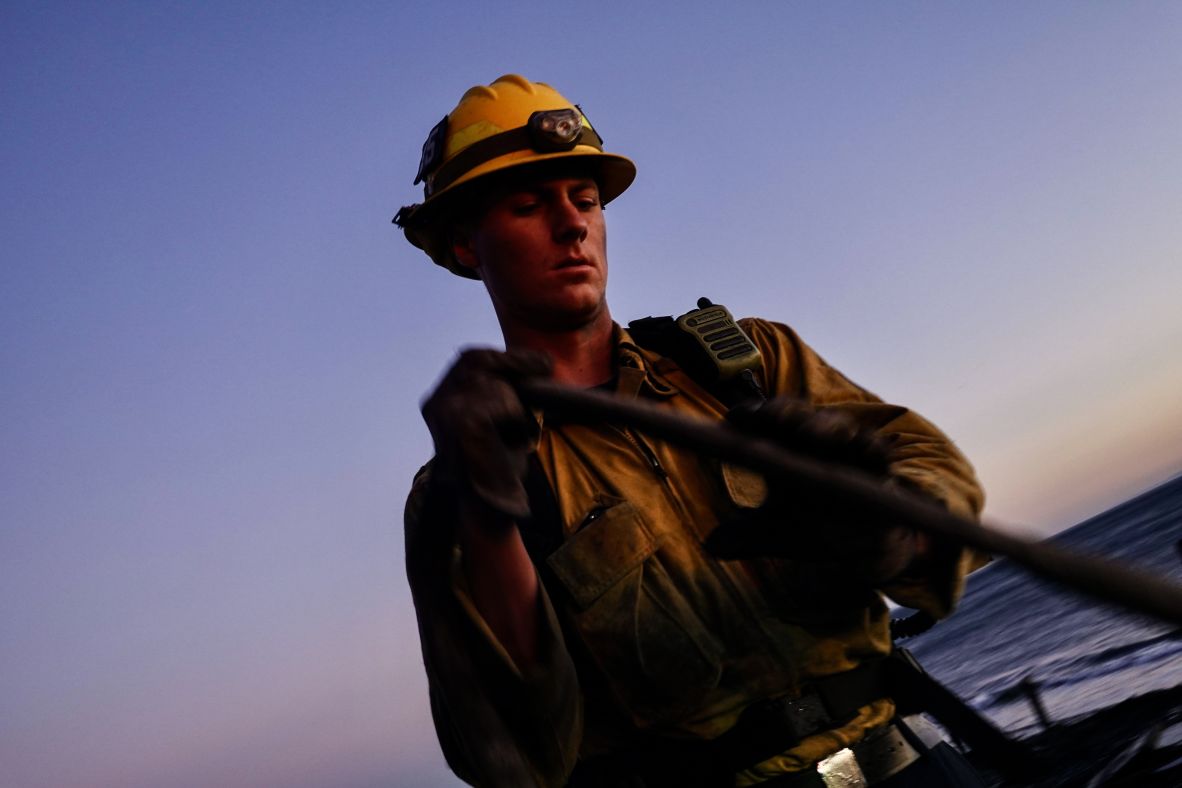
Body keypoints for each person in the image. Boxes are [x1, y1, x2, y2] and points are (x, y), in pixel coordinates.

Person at [395, 75, 987, 788]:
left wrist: (889, 522)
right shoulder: (463, 484)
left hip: (918, 766)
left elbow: (943, 487)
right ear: (466, 245)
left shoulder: (745, 360)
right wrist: (488, 516)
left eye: (585, 199)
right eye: (528, 205)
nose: (572, 224)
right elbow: (514, 755)